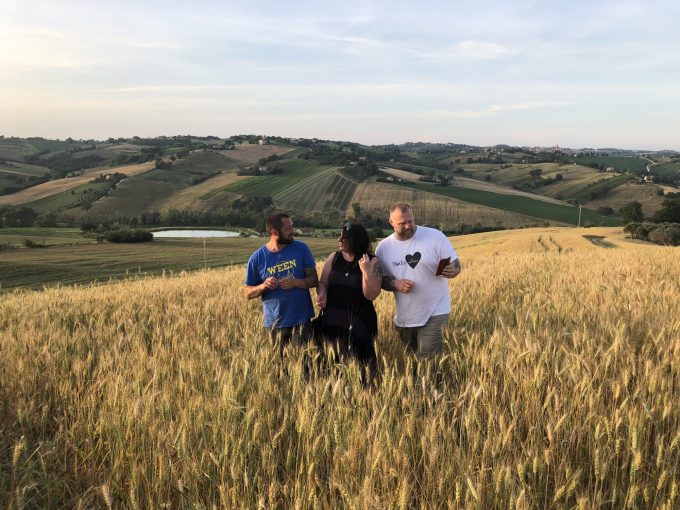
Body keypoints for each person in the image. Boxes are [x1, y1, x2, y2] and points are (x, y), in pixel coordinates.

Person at [376, 203, 461, 357]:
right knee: (412, 360)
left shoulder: (435, 236)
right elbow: (380, 280)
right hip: (405, 317)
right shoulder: (383, 248)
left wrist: (453, 270)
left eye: (411, 221)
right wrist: (395, 283)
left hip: (436, 310)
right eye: (403, 223)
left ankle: (428, 382)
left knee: (427, 361)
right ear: (391, 222)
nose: (409, 226)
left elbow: (456, 264)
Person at [244, 212, 318, 348]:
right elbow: (248, 293)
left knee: (305, 367)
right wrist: (263, 286)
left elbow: (314, 280)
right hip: (273, 325)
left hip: (301, 321)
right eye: (288, 228)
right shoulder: (257, 258)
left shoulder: (302, 249)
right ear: (275, 232)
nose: (293, 231)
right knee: (278, 367)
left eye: (292, 226)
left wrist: (295, 282)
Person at [315, 222, 382, 371]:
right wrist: (322, 294)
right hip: (332, 319)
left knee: (359, 366)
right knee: (329, 364)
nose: (339, 240)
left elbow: (371, 294)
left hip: (359, 322)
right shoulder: (334, 257)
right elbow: (323, 282)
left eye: (344, 238)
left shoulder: (372, 261)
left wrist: (366, 271)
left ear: (355, 240)